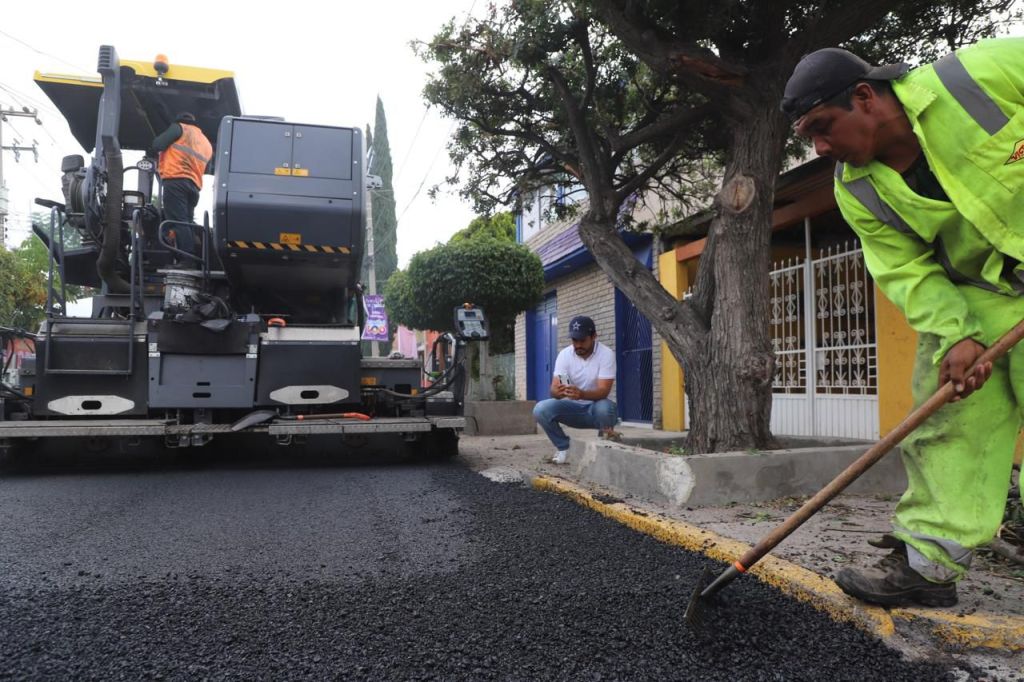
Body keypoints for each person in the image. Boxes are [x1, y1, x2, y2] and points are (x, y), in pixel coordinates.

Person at [781, 39, 1024, 608]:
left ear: (864, 97)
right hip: (981, 294)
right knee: (945, 419)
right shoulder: (856, 188)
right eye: (808, 138)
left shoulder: (979, 77)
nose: (820, 147)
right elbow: (906, 270)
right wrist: (958, 333)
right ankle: (927, 567)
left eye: (823, 127)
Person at [532, 316, 618, 465]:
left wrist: (583, 394)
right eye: (574, 340)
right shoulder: (565, 355)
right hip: (573, 408)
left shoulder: (606, 354)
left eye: (582, 340)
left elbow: (603, 391)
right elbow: (556, 388)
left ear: (594, 337)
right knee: (541, 409)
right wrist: (557, 392)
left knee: (605, 407)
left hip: (595, 409)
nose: (578, 345)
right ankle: (564, 448)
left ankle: (604, 447)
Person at [150, 112, 213, 257]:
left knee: (177, 221)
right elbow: (208, 168)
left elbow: (157, 144)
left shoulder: (179, 128)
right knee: (186, 222)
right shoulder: (206, 142)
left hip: (175, 180)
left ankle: (186, 258)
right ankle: (191, 256)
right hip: (194, 186)